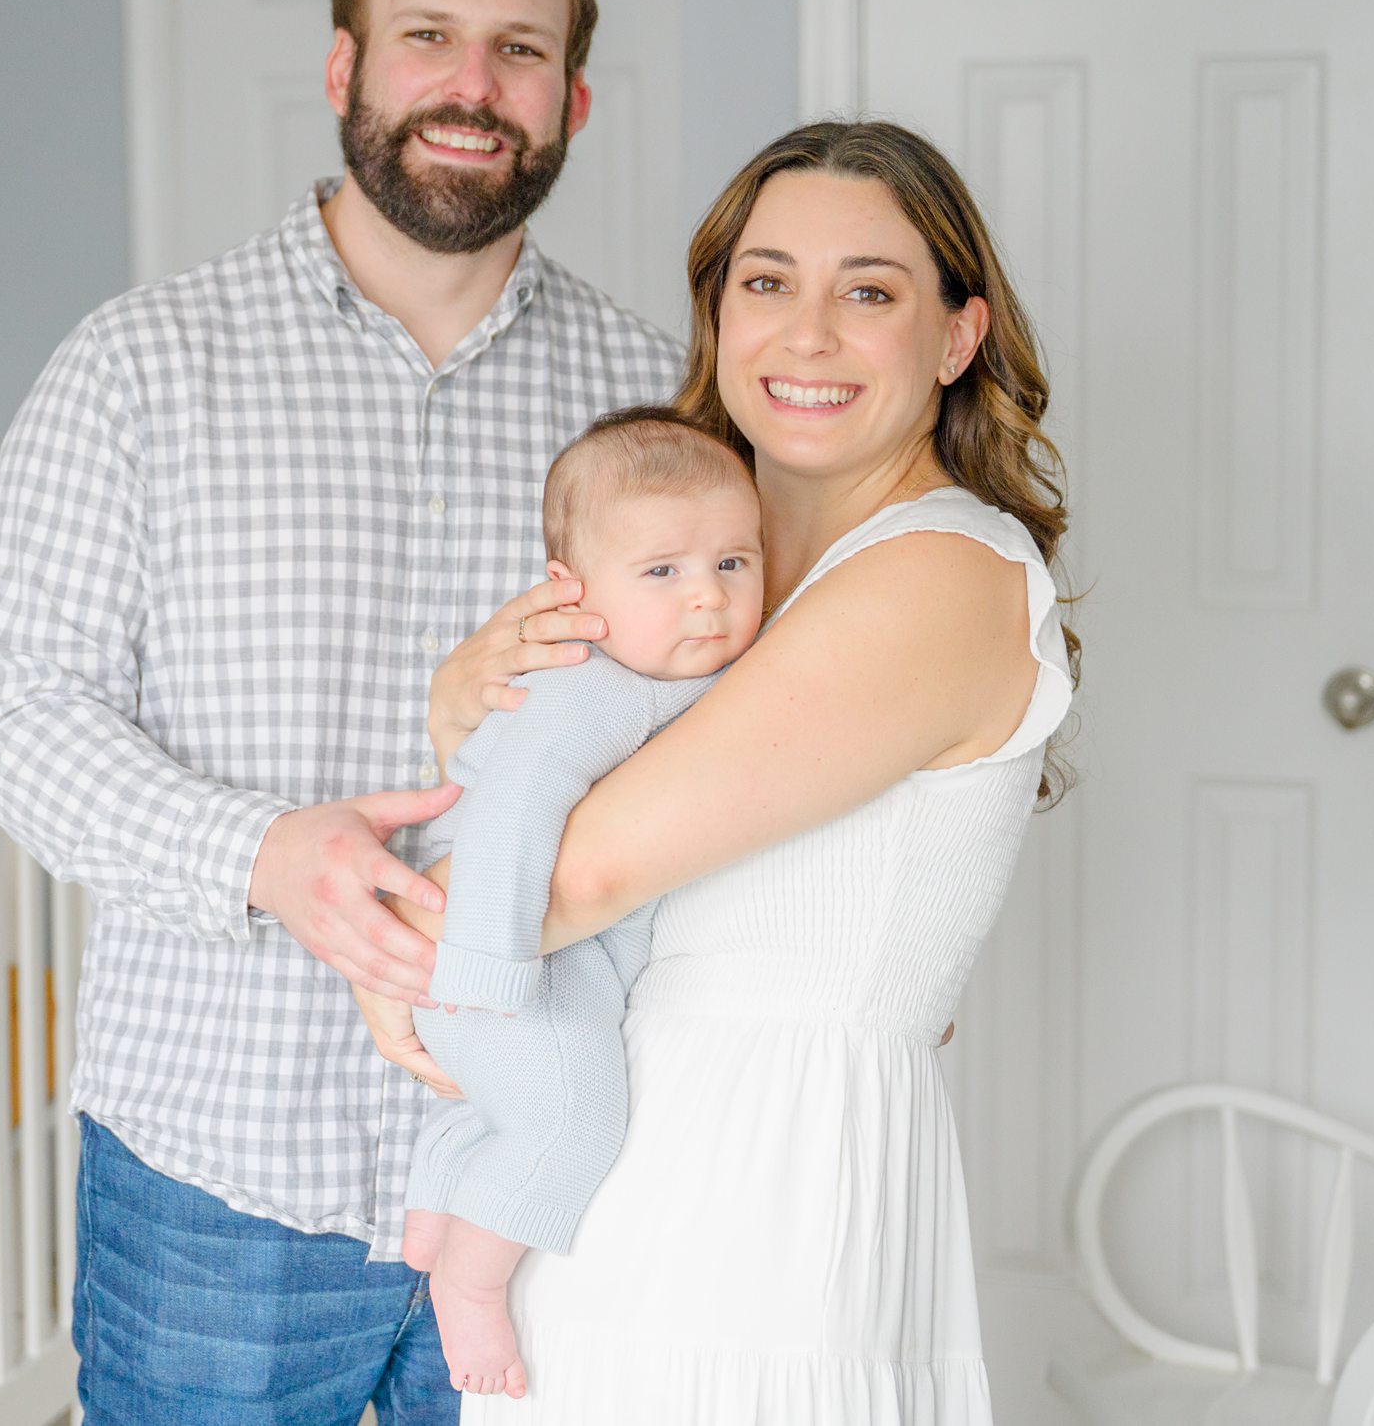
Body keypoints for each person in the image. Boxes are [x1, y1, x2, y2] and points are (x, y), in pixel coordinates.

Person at [0, 0, 682, 1426]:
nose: (472, 86)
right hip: (223, 1166)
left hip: (549, 1168)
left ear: (572, 99)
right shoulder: (136, 369)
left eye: (519, 49)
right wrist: (265, 854)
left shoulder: (662, 404)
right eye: (429, 37)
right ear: (346, 69)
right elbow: (19, 714)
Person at [358, 119, 1078, 1424]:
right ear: (718, 312)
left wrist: (392, 937)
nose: (805, 335)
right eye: (766, 281)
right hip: (608, 1179)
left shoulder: (945, 570)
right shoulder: (697, 577)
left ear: (959, 336)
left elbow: (596, 863)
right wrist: (464, 700)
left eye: (870, 291)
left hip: (766, 1194)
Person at [403, 409, 765, 1399]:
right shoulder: (592, 690)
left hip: (543, 957)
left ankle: (437, 1205)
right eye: (663, 572)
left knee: (507, 1107)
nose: (707, 598)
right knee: (571, 1122)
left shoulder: (676, 676)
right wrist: (483, 973)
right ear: (570, 591)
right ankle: (471, 1288)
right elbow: (507, 818)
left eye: (734, 563)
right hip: (501, 959)